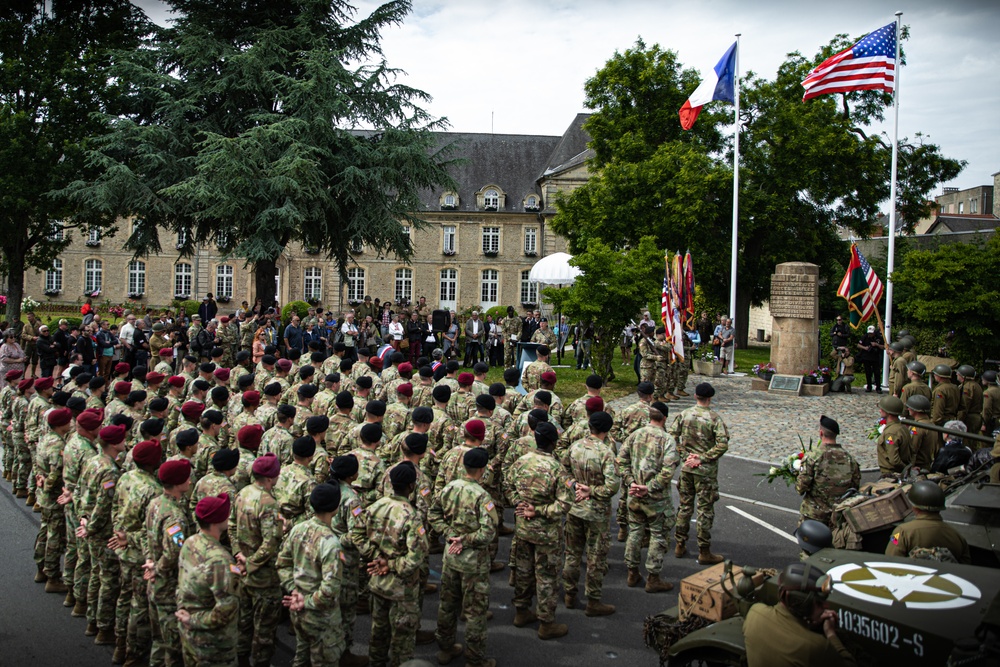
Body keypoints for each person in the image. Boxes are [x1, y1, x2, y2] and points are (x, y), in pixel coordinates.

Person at [351, 460, 428, 667]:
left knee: (378, 634)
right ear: (412, 486)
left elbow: (356, 535)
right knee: (402, 643)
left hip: (377, 582)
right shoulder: (411, 516)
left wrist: (375, 556)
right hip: (403, 588)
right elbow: (417, 556)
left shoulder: (375, 507)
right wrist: (391, 565)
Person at [428, 447, 498, 667]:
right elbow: (488, 532)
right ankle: (475, 659)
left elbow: (433, 514)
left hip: (450, 557)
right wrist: (465, 540)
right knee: (475, 611)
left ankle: (445, 648)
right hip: (473, 562)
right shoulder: (482, 496)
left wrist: (450, 535)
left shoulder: (449, 488)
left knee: (448, 604)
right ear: (482, 469)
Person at [507, 421, 573, 640]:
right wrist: (539, 510)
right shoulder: (557, 469)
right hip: (546, 533)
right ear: (554, 443)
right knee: (546, 577)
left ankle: (521, 611)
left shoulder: (521, 462)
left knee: (524, 572)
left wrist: (519, 503)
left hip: (523, 529)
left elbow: (507, 485)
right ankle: (546, 623)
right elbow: (564, 505)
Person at [277, 482, 348, 667]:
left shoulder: (298, 529)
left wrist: (293, 592)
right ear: (335, 508)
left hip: (298, 611)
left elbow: (282, 563)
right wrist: (306, 601)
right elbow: (330, 588)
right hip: (321, 617)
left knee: (301, 656)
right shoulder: (331, 543)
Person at [561, 411, 621, 615]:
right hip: (596, 511)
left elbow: (563, 472)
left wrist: (575, 487)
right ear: (606, 430)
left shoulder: (575, 446)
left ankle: (569, 594)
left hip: (574, 507)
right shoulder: (606, 453)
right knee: (595, 557)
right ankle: (593, 601)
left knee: (572, 554)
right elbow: (612, 487)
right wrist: (591, 490)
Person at [743, 563, 857, 667]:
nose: (825, 607)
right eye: (819, 603)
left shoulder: (755, 612)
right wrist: (831, 634)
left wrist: (808, 624)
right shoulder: (816, 646)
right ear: (804, 604)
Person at [618, 402, 678, 593]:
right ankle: (653, 577)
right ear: (665, 418)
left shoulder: (635, 435)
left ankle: (632, 572)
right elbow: (668, 471)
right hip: (657, 498)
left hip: (634, 495)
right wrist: (649, 487)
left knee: (635, 532)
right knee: (658, 535)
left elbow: (621, 461)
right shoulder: (667, 440)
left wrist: (631, 482)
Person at [176, 493, 240, 665]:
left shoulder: (189, 542)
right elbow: (226, 611)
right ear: (218, 521)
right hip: (213, 644)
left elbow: (182, 583)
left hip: (189, 635)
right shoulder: (220, 560)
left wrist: (185, 616)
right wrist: (193, 620)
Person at [672, 382, 728, 564]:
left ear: (695, 396)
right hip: (705, 472)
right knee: (704, 510)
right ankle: (704, 551)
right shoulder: (714, 419)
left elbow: (672, 436)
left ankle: (679, 543)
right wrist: (701, 458)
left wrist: (686, 455)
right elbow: (722, 445)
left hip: (687, 468)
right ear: (710, 398)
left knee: (684, 507)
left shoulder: (684, 414)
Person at [795, 416, 860, 528]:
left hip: (814, 515)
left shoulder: (813, 457)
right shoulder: (850, 459)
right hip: (838, 516)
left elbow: (801, 487)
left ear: (821, 433)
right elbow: (854, 487)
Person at [885, 481, 970, 563]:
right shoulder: (957, 536)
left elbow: (891, 561)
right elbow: (966, 568)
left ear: (914, 508)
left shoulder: (900, 532)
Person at [876, 396, 910, 476]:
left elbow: (894, 460)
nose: (880, 410)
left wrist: (906, 470)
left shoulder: (891, 432)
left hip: (891, 474)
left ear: (888, 412)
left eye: (882, 409)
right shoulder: (902, 427)